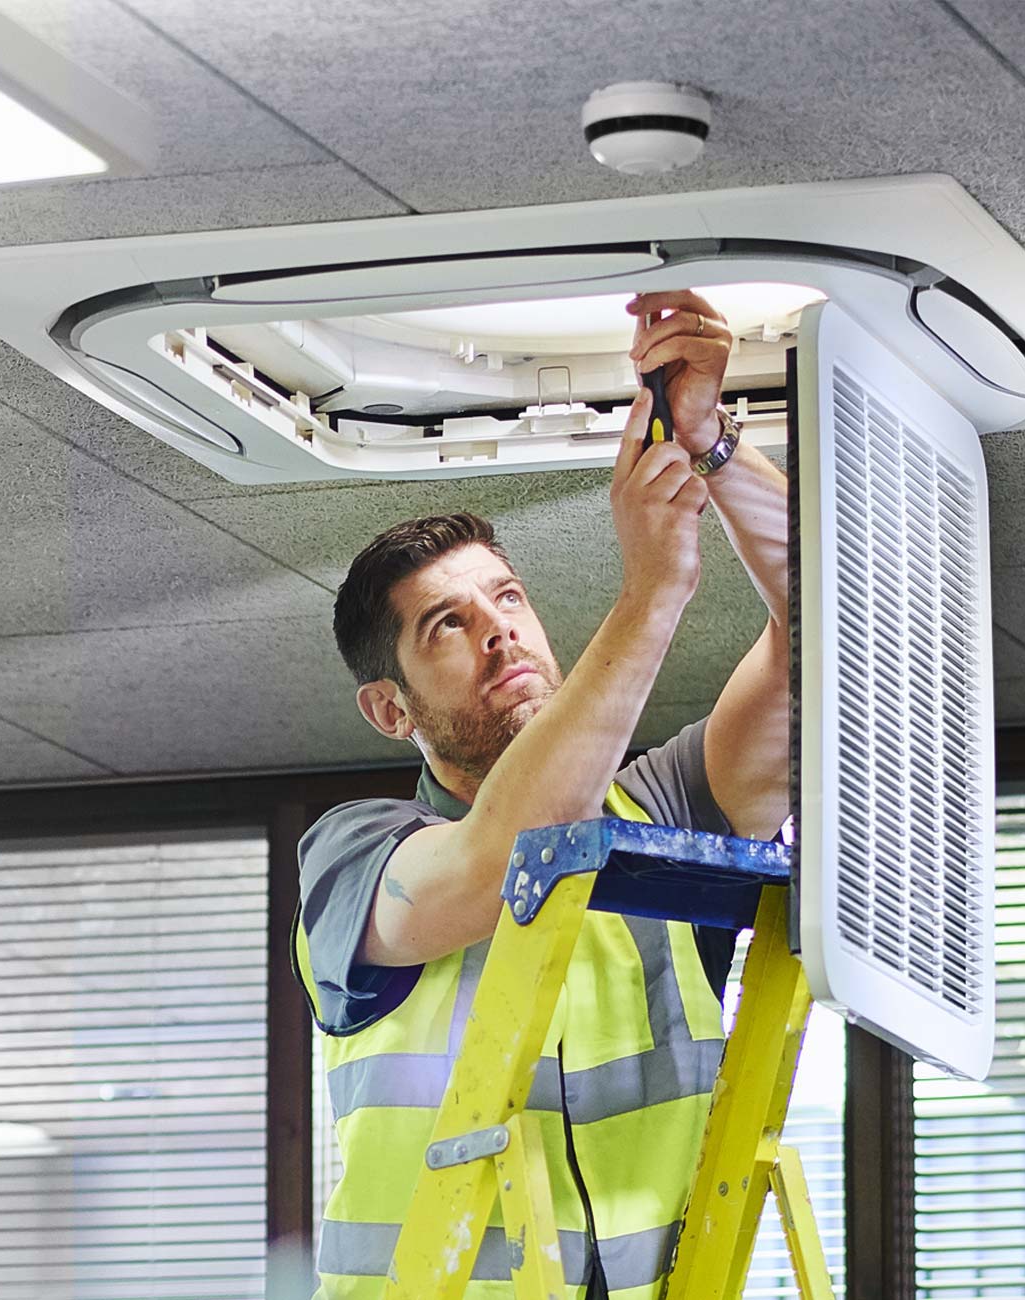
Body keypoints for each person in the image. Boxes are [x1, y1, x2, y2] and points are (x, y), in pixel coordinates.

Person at [293, 290, 791, 1300]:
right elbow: (496, 861)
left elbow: (845, 627)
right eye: (447, 624)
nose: (500, 631)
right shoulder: (353, 856)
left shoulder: (666, 815)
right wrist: (651, 594)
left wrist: (712, 443)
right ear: (390, 711)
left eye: (507, 598)